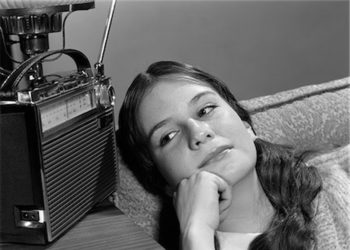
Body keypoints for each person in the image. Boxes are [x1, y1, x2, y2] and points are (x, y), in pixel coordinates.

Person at [117, 61, 350, 250]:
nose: (198, 132)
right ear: (161, 180)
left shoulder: (338, 182)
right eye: (168, 136)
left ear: (246, 125)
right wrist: (196, 232)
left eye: (205, 110)